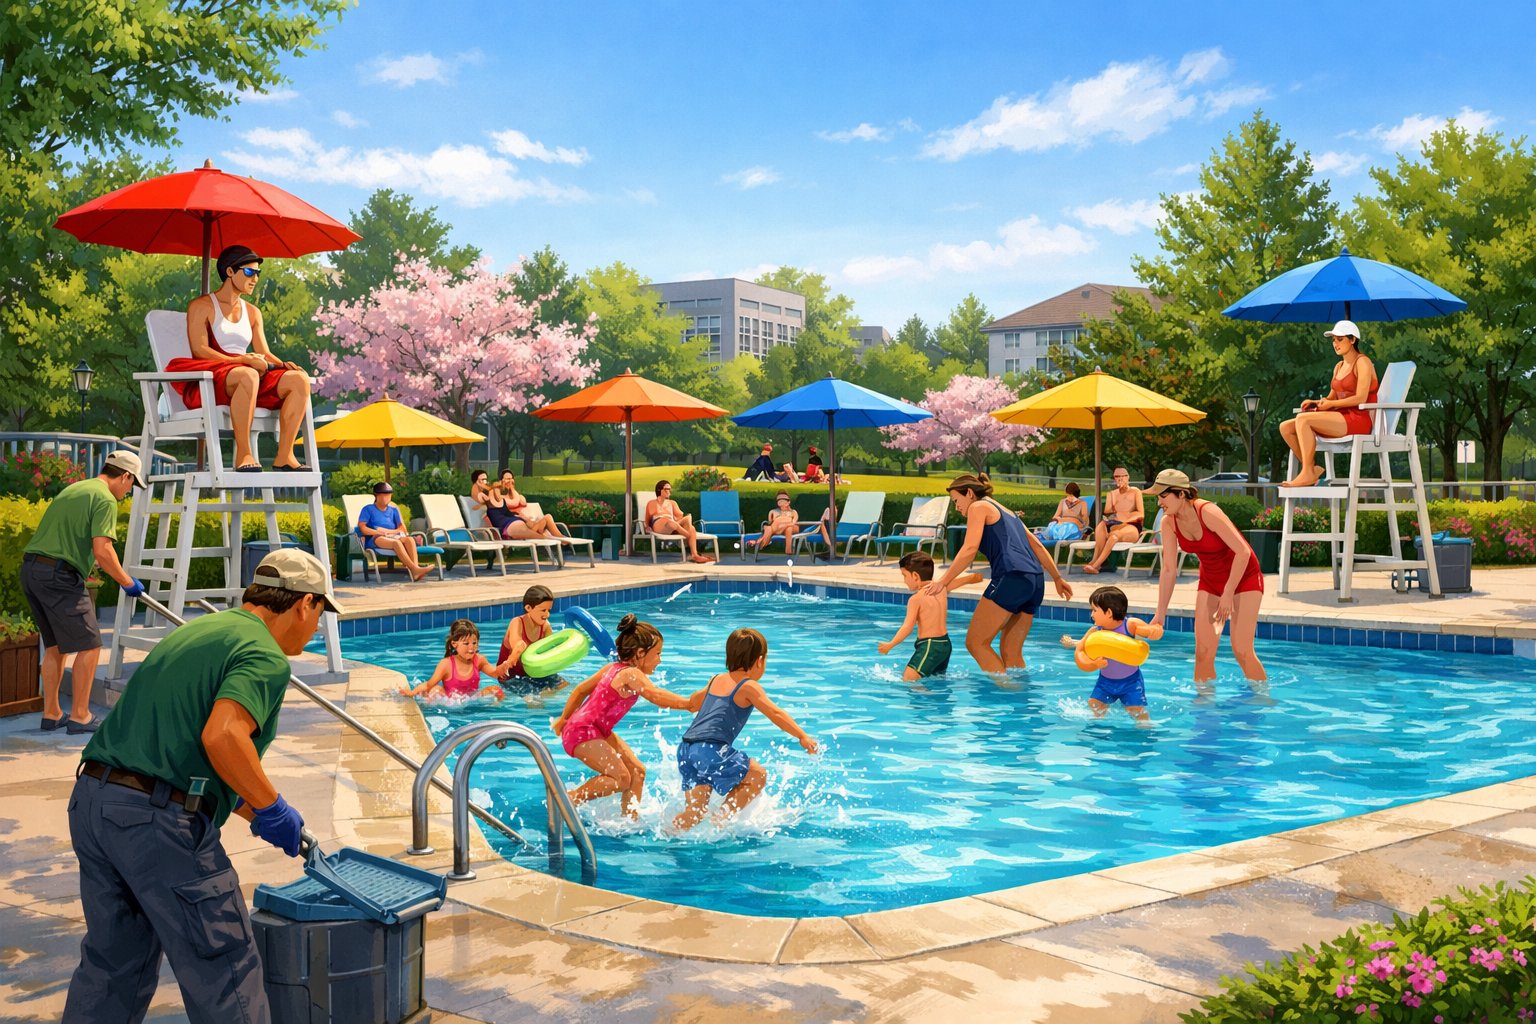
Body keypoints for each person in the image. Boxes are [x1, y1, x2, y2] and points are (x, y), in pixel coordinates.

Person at [63, 548, 339, 1021]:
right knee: (227, 972)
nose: (317, 627)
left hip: (96, 802)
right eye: (320, 614)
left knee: (115, 967)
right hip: (157, 824)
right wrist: (272, 806)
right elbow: (223, 735)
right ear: (304, 603)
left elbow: (182, 746)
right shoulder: (265, 655)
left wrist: (259, 812)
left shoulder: (200, 631)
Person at [20, 450, 146, 734]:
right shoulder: (104, 498)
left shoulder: (77, 488)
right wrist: (127, 581)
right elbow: (103, 550)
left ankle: (52, 713)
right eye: (132, 484)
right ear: (124, 475)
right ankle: (80, 716)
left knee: (55, 646)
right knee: (90, 645)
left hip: (32, 570)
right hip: (57, 575)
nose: (129, 491)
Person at [175, 245, 313, 472]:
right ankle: (244, 453)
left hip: (250, 374)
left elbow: (264, 352)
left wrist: (282, 365)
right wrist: (242, 361)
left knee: (299, 380)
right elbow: (200, 350)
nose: (255, 278)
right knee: (247, 374)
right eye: (249, 272)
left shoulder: (253, 312)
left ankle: (285, 456)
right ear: (230, 272)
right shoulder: (201, 306)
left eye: (258, 273)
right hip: (214, 376)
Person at [671, 628, 819, 832]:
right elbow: (775, 713)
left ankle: (669, 835)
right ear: (759, 661)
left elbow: (693, 703)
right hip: (710, 749)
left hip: (687, 749)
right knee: (757, 774)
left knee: (695, 813)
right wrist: (802, 736)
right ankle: (721, 819)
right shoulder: (749, 686)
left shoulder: (716, 679)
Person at [923, 473, 1072, 674]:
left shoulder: (978, 506)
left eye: (956, 500)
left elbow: (969, 549)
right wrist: (1057, 577)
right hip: (1035, 581)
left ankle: (1005, 691)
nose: (957, 507)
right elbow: (1036, 544)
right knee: (1011, 652)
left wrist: (943, 581)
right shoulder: (1007, 511)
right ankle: (1020, 697)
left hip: (1011, 577)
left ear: (969, 493)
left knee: (976, 643)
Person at [552, 614, 698, 817]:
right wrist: (688, 704)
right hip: (583, 731)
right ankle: (569, 799)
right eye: (657, 654)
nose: (660, 660)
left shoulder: (612, 668)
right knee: (621, 778)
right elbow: (655, 695)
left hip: (595, 730)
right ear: (640, 653)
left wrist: (563, 719)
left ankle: (630, 820)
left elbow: (580, 691)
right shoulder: (632, 674)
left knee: (637, 771)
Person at [1144, 469, 1268, 695]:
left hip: (1244, 578)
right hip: (1211, 581)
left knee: (1241, 650)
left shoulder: (1208, 512)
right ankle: (1205, 708)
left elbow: (1243, 552)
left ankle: (1262, 698)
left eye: (1162, 495)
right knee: (1202, 652)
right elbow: (1169, 569)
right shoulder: (1168, 523)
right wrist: (1160, 613)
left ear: (1181, 494)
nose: (1158, 501)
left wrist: (1228, 593)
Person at [1279, 320, 1379, 487]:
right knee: (1286, 427)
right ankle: (1310, 469)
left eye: (1340, 339)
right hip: (1340, 418)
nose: (1335, 344)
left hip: (1359, 420)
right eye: (1333, 340)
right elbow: (1332, 397)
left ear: (1352, 340)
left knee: (1303, 420)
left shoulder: (1363, 362)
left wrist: (1331, 406)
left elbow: (1360, 398)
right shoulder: (1338, 366)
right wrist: (1317, 402)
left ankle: (1306, 473)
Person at [1060, 585, 1162, 723]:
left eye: (1094, 610)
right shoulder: (1095, 632)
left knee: (1138, 713)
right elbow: (1080, 652)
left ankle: (1146, 730)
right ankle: (1098, 731)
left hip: (1131, 682)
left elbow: (1152, 631)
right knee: (1095, 705)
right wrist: (1092, 664)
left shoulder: (1130, 625)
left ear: (1108, 612)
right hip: (1105, 682)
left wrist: (1153, 632)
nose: (1091, 614)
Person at [878, 551, 983, 680]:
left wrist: (890, 644)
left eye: (904, 575)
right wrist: (974, 578)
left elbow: (907, 627)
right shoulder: (941, 589)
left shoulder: (916, 599)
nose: (904, 581)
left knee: (909, 679)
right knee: (937, 680)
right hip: (945, 644)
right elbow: (964, 580)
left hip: (929, 645)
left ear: (915, 576)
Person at [399, 618, 506, 699]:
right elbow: (428, 684)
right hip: (450, 701)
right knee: (435, 690)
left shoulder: (479, 660)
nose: (471, 648)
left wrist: (507, 663)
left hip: (472, 698)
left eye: (474, 643)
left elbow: (496, 674)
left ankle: (495, 711)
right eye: (466, 643)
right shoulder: (446, 664)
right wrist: (411, 693)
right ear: (454, 644)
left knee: (495, 689)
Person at [495, 584, 570, 697]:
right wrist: (510, 661)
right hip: (511, 676)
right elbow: (518, 645)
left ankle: (545, 694)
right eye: (543, 610)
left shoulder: (545, 627)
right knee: (533, 699)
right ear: (528, 608)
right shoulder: (517, 623)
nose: (547, 614)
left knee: (564, 685)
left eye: (549, 610)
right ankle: (540, 695)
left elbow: (548, 654)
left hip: (534, 673)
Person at [356, 481, 432, 581]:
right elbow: (362, 528)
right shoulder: (368, 509)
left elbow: (402, 528)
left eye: (387, 495)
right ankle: (415, 570)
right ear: (376, 496)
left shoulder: (394, 510)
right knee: (396, 543)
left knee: (409, 540)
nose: (385, 498)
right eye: (382, 495)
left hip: (393, 536)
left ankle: (415, 571)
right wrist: (379, 532)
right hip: (376, 538)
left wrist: (389, 532)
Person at [1082, 467, 1144, 574]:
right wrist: (1114, 498)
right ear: (1114, 479)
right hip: (1115, 524)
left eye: (1123, 476)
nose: (1120, 479)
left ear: (1128, 477)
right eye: (1117, 476)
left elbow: (1140, 514)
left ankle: (1096, 566)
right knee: (1101, 526)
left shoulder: (1135, 492)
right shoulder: (1112, 493)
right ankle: (1094, 561)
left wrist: (1125, 518)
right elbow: (1108, 512)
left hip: (1131, 526)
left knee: (1114, 535)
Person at [492, 469, 575, 546]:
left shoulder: (517, 496)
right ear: (501, 481)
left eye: (511, 479)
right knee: (540, 531)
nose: (509, 481)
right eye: (507, 479)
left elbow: (522, 501)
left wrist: (512, 488)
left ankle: (560, 537)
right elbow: (514, 502)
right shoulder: (501, 499)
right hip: (518, 528)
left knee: (548, 517)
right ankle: (559, 539)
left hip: (528, 524)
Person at [646, 479, 715, 563]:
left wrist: (679, 519)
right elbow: (647, 518)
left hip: (673, 525)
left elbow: (680, 516)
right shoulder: (652, 503)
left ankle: (695, 555)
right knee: (671, 522)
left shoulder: (672, 503)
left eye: (669, 489)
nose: (669, 491)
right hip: (659, 525)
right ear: (659, 490)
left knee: (689, 521)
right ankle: (689, 537)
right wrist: (647, 527)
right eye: (666, 489)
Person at [1036, 481, 1090, 546]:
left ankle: (1047, 536)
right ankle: (1042, 537)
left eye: (1071, 495)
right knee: (1052, 525)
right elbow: (1055, 518)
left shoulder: (1082, 503)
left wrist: (1072, 521)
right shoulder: (1063, 502)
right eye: (1068, 495)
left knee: (1069, 527)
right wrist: (1065, 520)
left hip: (1073, 528)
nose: (1070, 498)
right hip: (1061, 525)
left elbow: (1084, 522)